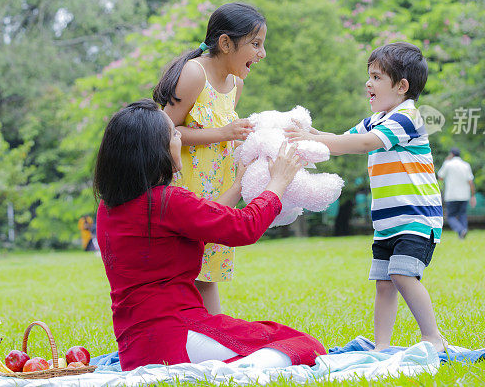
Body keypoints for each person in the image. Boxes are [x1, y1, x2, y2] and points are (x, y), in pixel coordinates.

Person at [93, 99, 326, 370]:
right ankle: (238, 373)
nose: (180, 138)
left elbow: (206, 222)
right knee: (305, 346)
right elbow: (245, 226)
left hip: (135, 349)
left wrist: (239, 186)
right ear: (154, 149)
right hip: (178, 336)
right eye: (174, 134)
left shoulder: (108, 208)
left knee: (266, 333)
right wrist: (278, 183)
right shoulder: (167, 201)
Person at [286, 42, 447, 352]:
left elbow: (362, 144)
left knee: (402, 274)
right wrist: (304, 134)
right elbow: (341, 140)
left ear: (402, 87)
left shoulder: (407, 117)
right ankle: (381, 347)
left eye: (375, 77)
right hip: (388, 223)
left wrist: (312, 138)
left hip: (416, 217)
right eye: (369, 76)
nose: (367, 84)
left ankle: (433, 337)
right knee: (384, 284)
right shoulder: (376, 119)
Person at [153, 2, 266, 314]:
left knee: (207, 274)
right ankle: (183, 333)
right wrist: (224, 133)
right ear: (226, 43)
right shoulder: (194, 73)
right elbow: (163, 130)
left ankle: (217, 336)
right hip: (185, 188)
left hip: (219, 190)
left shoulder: (235, 85)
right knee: (182, 270)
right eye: (255, 45)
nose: (262, 53)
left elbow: (230, 136)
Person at [437, 147, 475, 239]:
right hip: (464, 195)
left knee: (451, 216)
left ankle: (460, 230)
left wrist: (446, 161)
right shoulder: (466, 165)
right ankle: (463, 232)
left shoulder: (448, 164)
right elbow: (470, 181)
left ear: (451, 154)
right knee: (462, 214)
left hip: (451, 195)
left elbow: (440, 177)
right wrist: (473, 196)